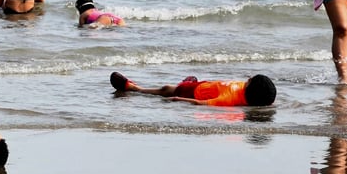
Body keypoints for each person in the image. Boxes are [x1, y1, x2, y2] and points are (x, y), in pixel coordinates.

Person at [110, 72, 276, 107]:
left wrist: (179, 99)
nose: (248, 79)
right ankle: (189, 81)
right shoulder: (244, 89)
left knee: (166, 89)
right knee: (185, 84)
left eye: (250, 80)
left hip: (194, 92)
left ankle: (134, 88)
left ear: (251, 88)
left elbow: (202, 104)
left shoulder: (229, 99)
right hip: (205, 85)